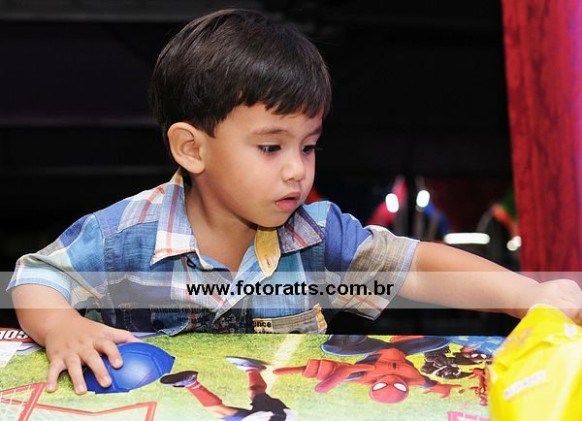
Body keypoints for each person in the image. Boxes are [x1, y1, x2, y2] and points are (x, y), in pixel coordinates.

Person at [7, 8, 582, 396]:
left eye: (307, 146)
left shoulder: (319, 235)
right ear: (192, 148)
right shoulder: (124, 234)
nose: (296, 170)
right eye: (270, 146)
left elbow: (420, 268)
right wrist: (61, 326)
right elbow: (36, 277)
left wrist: (527, 296)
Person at [161, 357, 297, 420]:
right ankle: (190, 382)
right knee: (253, 393)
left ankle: (190, 382)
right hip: (275, 418)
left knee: (254, 393)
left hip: (271, 418)